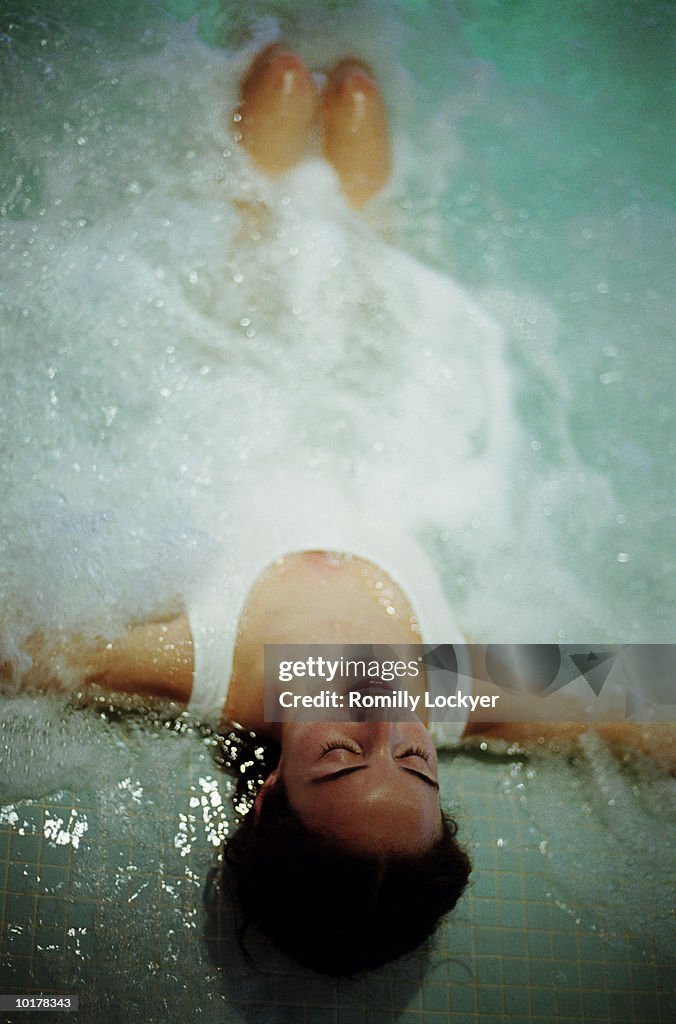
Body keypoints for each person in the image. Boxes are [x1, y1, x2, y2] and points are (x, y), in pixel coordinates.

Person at [3, 45, 672, 976]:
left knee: (276, 82)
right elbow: (648, 700)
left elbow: (27, 648)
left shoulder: (223, 670)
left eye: (342, 762)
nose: (387, 731)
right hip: (378, 373)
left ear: (271, 787)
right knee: (356, 96)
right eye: (418, 767)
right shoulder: (440, 689)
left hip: (236, 348)